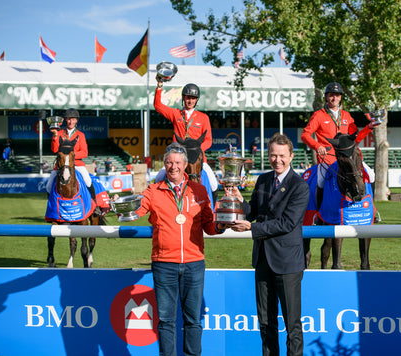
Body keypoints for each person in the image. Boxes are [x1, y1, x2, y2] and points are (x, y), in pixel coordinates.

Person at [131, 142, 226, 356]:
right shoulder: (153, 191)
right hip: (164, 264)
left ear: (185, 165)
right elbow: (137, 209)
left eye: (177, 163)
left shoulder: (200, 190)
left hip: (194, 264)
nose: (173, 166)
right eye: (169, 163)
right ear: (164, 165)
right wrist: (121, 207)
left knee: (193, 320)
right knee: (166, 321)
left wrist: (221, 226)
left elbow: (209, 226)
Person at [229, 133, 309, 356]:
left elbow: (287, 223)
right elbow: (253, 212)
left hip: (288, 264)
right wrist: (238, 199)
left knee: (292, 326)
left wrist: (252, 229)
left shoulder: (300, 186)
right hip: (263, 259)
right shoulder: (263, 180)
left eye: (282, 155)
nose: (277, 160)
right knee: (265, 323)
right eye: (273, 155)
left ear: (291, 156)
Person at [301, 82, 381, 204]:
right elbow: (305, 135)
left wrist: (369, 127)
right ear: (326, 97)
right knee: (321, 182)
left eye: (337, 95)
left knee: (371, 175)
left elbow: (356, 139)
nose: (335, 98)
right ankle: (320, 212)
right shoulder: (318, 115)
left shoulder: (347, 116)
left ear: (341, 97)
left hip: (347, 157)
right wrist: (317, 146)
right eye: (332, 95)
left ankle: (371, 207)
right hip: (328, 158)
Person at [154, 77, 218, 195]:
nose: (190, 101)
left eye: (193, 98)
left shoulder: (204, 118)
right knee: (158, 179)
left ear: (196, 100)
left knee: (214, 184)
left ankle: (212, 210)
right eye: (188, 97)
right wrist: (159, 86)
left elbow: (208, 140)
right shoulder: (175, 114)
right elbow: (158, 106)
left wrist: (196, 151)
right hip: (177, 157)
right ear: (183, 98)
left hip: (197, 160)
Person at [46, 108, 96, 203]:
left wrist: (69, 156)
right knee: (48, 185)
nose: (70, 121)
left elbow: (84, 153)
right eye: (68, 119)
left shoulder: (80, 135)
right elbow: (55, 150)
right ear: (65, 120)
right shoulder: (59, 133)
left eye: (73, 119)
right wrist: (55, 135)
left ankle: (95, 204)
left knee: (87, 180)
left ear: (76, 120)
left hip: (76, 164)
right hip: (61, 165)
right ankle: (51, 206)